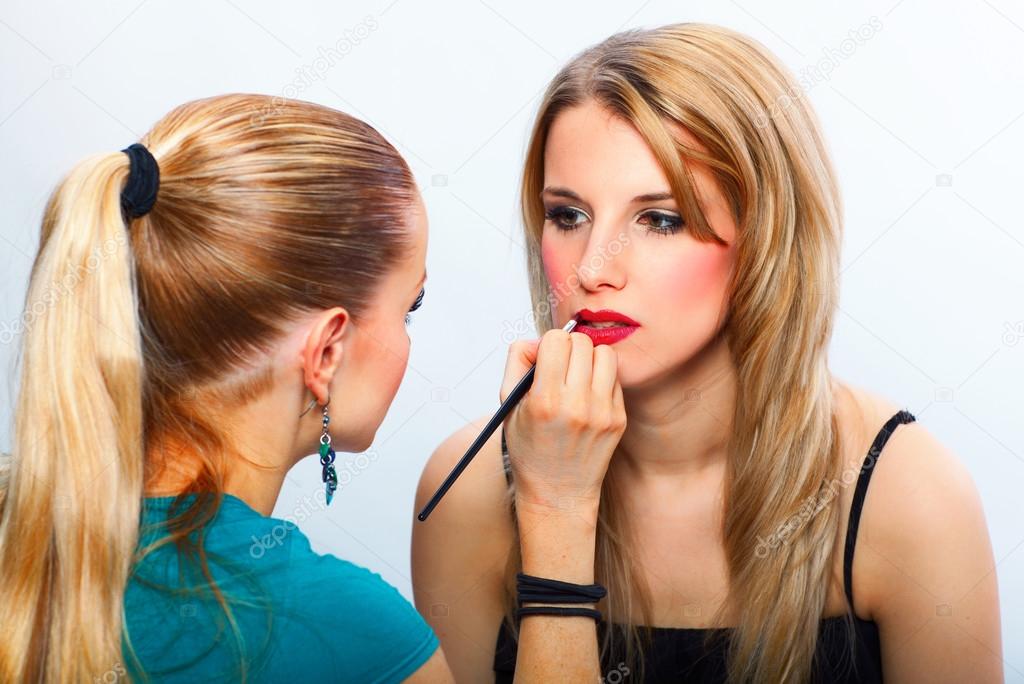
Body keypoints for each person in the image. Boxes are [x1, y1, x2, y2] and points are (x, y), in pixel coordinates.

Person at [412, 23, 1003, 682]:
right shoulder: (467, 490)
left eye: (660, 219)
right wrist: (555, 513)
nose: (591, 269)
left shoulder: (905, 494)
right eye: (568, 215)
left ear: (766, 240)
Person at [0, 93, 450, 682]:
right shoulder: (354, 635)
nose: (408, 333)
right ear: (327, 353)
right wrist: (556, 519)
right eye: (408, 306)